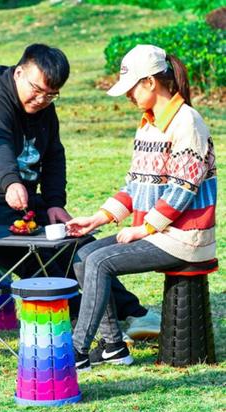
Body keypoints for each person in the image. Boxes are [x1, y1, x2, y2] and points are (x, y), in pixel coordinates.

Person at [0, 43, 159, 334]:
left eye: (51, 94)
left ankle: (133, 312)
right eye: (37, 89)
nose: (43, 99)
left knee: (77, 240)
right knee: (38, 251)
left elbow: (54, 155)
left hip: (22, 201)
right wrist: (11, 181)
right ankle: (89, 316)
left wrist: (55, 202)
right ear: (19, 73)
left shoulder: (45, 110)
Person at [66, 44, 217, 371]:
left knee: (100, 262)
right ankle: (112, 347)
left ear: (150, 82)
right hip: (157, 232)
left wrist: (143, 228)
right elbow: (135, 185)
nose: (127, 96)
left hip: (184, 238)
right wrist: (98, 218)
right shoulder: (148, 124)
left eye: (131, 88)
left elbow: (182, 189)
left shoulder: (187, 122)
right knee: (82, 256)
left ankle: (76, 351)